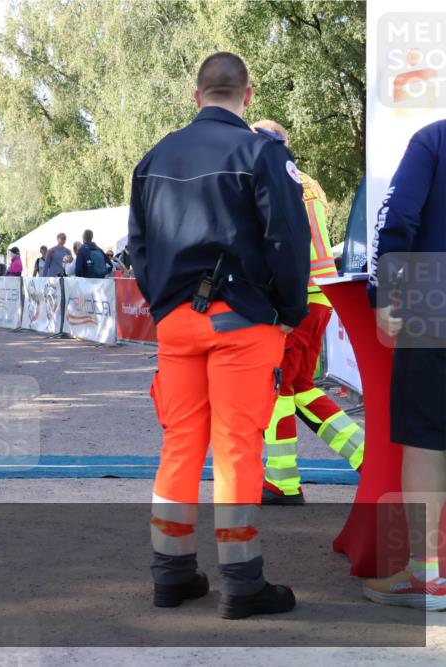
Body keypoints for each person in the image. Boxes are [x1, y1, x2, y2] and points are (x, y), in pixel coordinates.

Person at [128, 52, 310, 619]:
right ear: (247, 96)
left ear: (196, 94)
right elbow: (286, 239)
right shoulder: (262, 153)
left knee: (180, 445)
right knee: (237, 449)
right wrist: (288, 311)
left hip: (177, 324)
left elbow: (138, 246)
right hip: (243, 322)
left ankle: (172, 574)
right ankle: (241, 581)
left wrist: (166, 303)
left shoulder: (153, 158)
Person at [250, 120, 365, 505]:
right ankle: (365, 454)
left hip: (297, 297)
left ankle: (282, 483)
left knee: (280, 389)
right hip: (321, 295)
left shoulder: (274, 182)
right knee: (300, 387)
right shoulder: (307, 181)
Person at [362, 119, 446, 610]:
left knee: (426, 439)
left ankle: (427, 575)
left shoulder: (433, 139)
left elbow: (396, 219)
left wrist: (385, 294)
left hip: (434, 295)